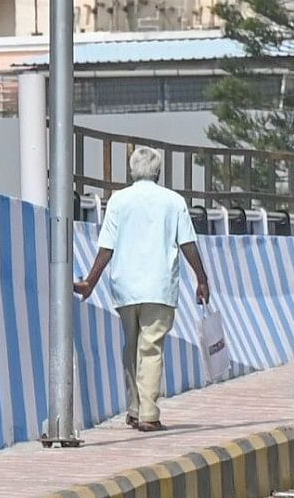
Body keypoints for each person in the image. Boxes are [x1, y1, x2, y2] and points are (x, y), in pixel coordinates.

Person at [71, 145, 212, 433]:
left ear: (131, 171)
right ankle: (148, 412)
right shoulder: (173, 202)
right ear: (158, 172)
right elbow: (187, 243)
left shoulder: (118, 201)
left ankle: (134, 409)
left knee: (131, 345)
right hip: (158, 288)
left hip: (125, 286)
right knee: (150, 348)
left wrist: (90, 282)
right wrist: (202, 279)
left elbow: (106, 247)